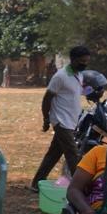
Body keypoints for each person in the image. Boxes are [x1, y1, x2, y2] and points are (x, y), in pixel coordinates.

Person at [30, 46, 91, 192]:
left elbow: (76, 92)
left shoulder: (79, 75)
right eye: (82, 61)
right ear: (73, 60)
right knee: (73, 154)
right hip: (60, 121)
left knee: (53, 154)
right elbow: (47, 98)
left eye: (87, 61)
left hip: (71, 121)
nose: (85, 64)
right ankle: (79, 188)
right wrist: (46, 119)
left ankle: (36, 183)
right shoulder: (60, 76)